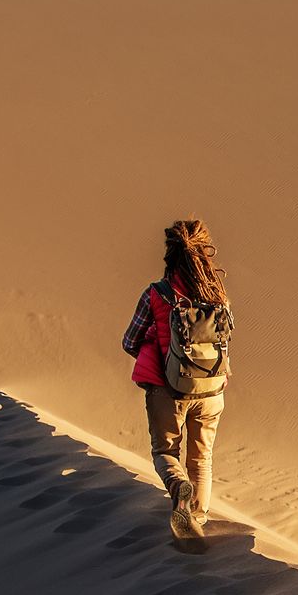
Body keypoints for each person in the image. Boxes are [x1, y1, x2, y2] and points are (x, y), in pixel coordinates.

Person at [121, 218, 235, 543]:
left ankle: (177, 488)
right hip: (213, 389)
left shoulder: (157, 294)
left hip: (168, 389)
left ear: (169, 254)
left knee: (165, 451)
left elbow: (130, 341)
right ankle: (196, 519)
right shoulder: (218, 295)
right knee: (202, 458)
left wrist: (160, 354)